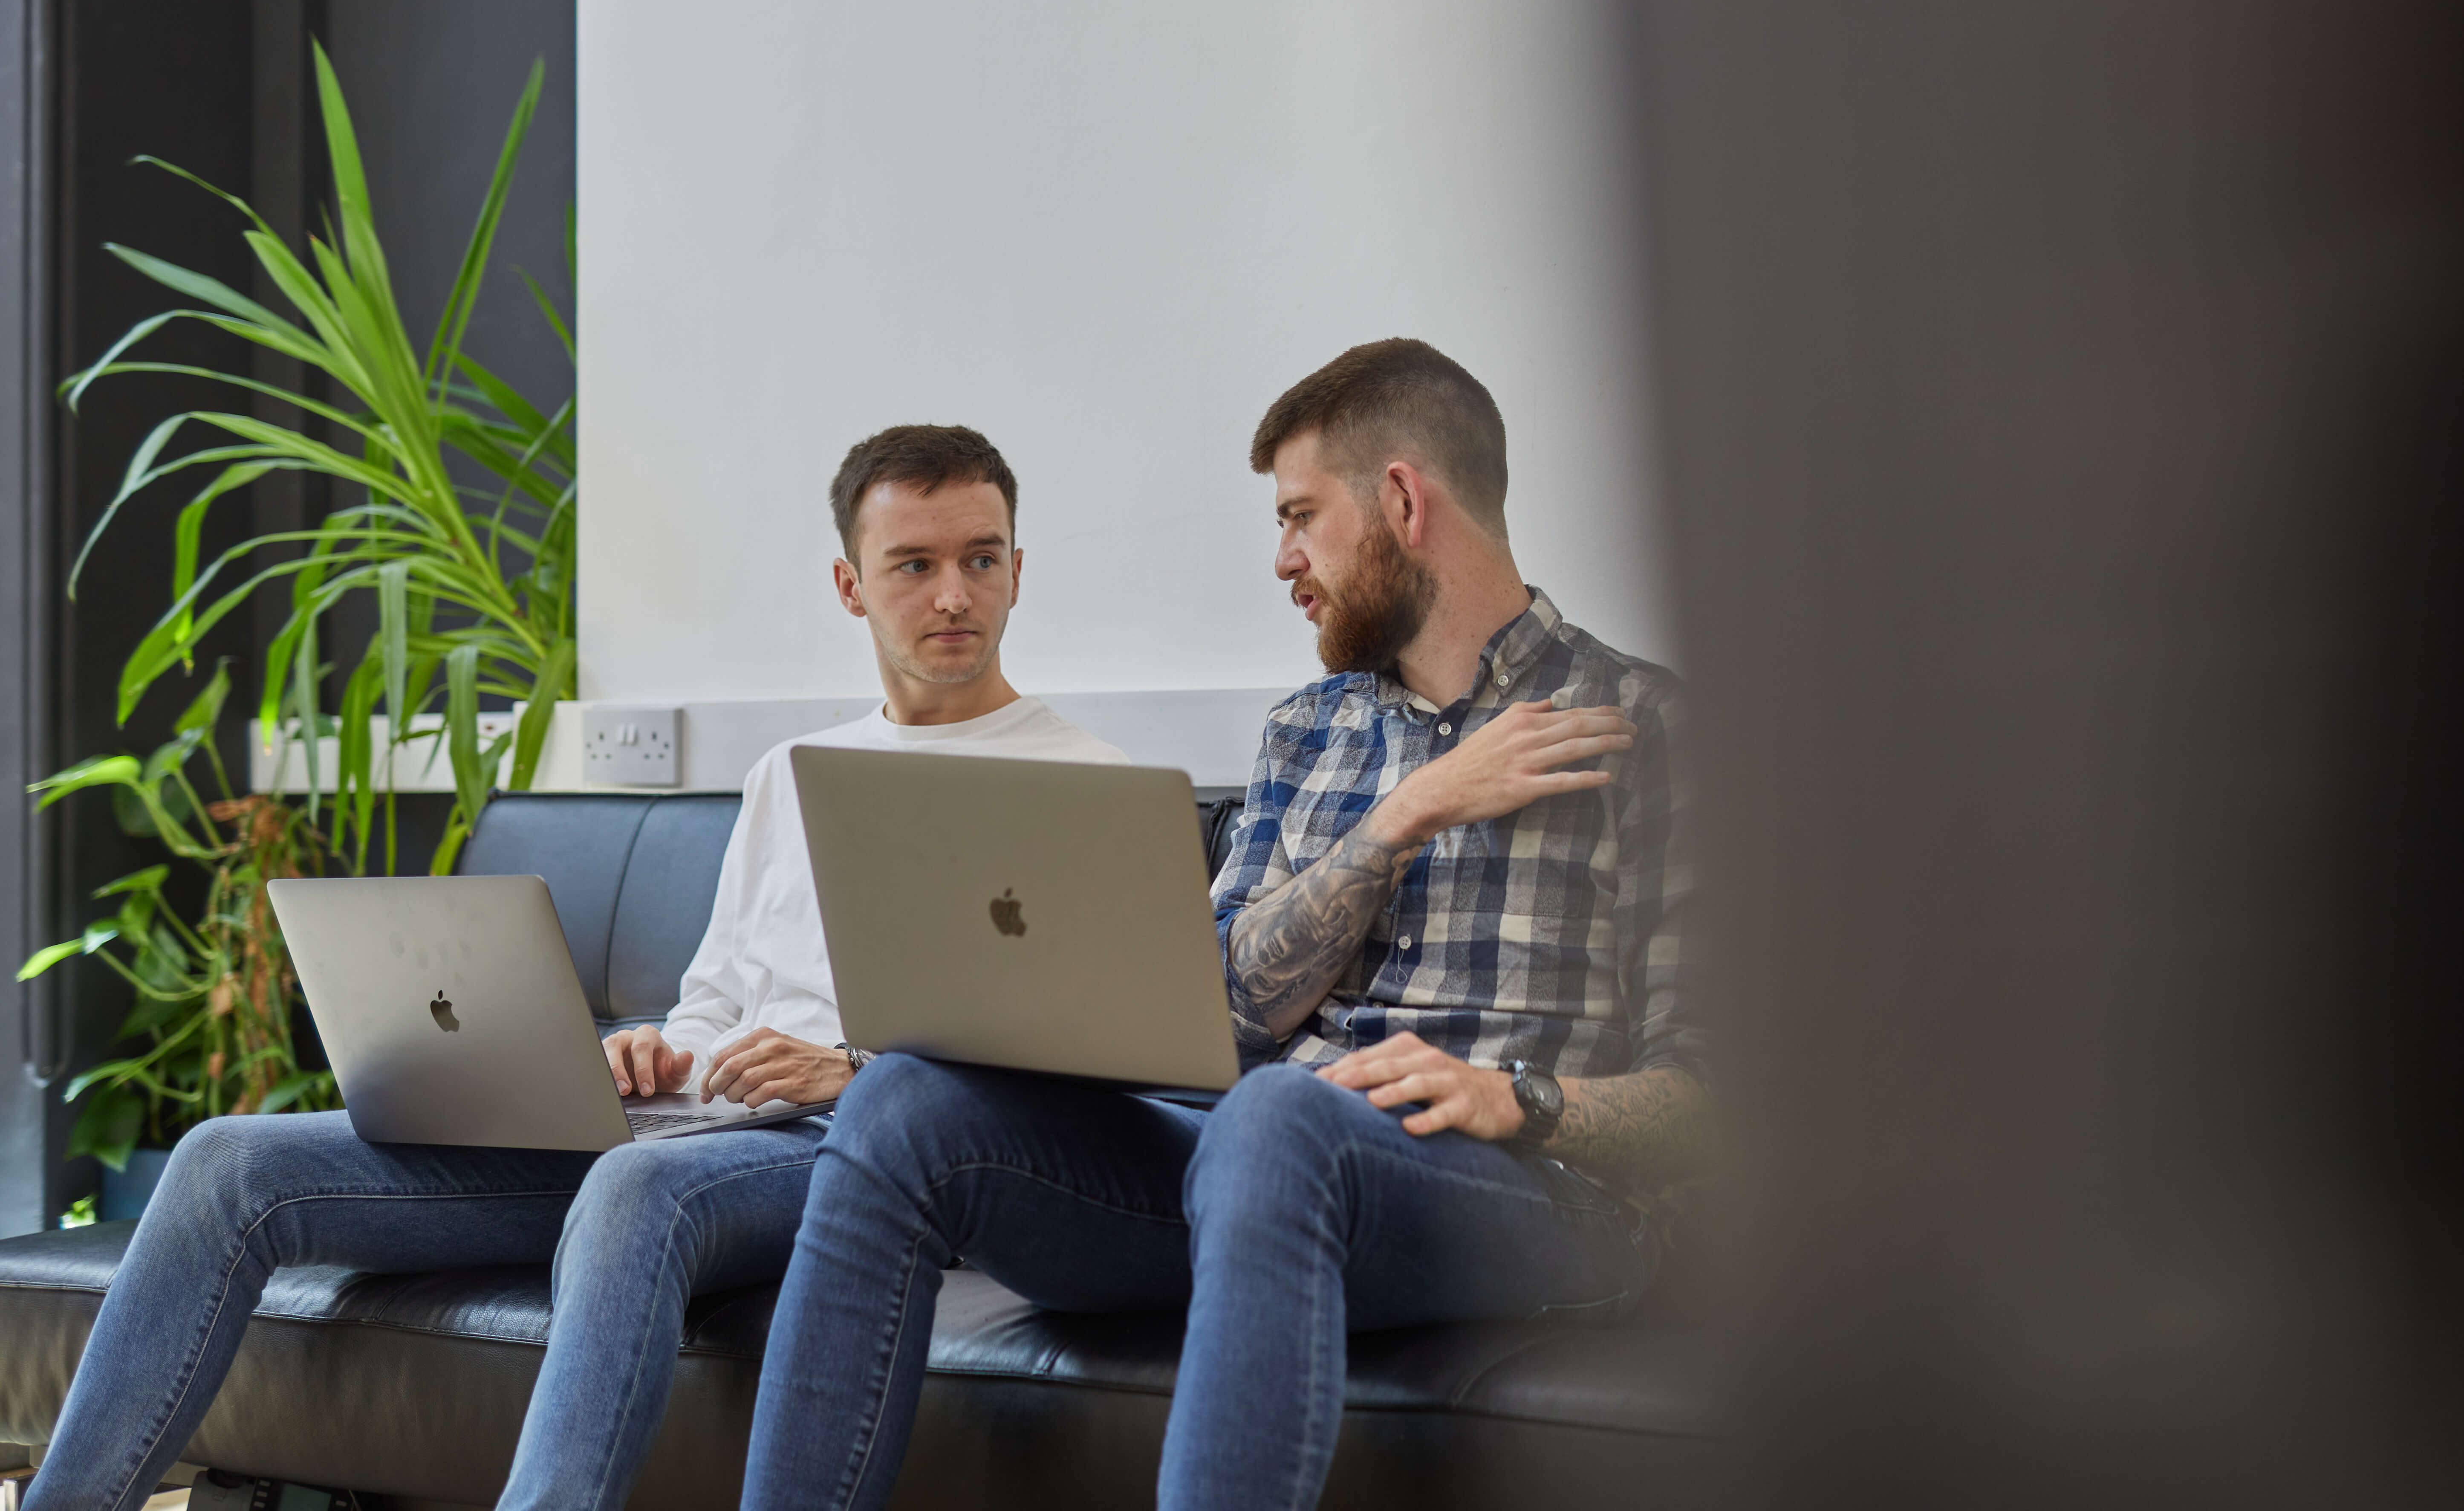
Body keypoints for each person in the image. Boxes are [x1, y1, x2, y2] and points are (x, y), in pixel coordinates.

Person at [27, 424, 1124, 1511]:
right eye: (915, 565)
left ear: (1018, 571)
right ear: (850, 584)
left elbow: (1082, 1066)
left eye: (982, 559)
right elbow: (716, 1000)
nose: (952, 596)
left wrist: (857, 1067)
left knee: (635, 1182)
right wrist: (653, 1049)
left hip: (850, 1151)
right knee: (227, 1161)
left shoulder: (1089, 782)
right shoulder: (789, 773)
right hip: (692, 1124)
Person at [735, 340, 1707, 1511]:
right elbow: (1220, 1008)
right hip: (1260, 1156)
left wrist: (1517, 1099)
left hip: (1535, 1194)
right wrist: (1408, 815)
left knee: (1277, 1117)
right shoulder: (1309, 732)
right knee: (902, 1102)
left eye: (1301, 517)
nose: (1284, 560)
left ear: (1402, 501)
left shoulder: (1653, 731)